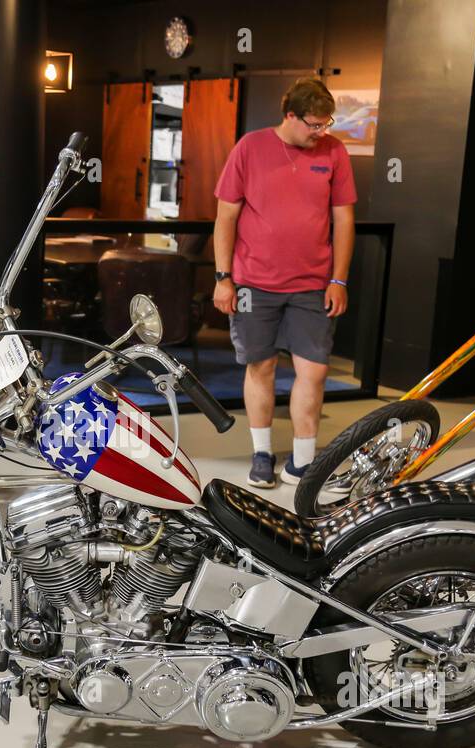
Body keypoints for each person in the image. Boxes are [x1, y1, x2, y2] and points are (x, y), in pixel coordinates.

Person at [213, 76, 356, 488]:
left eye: (326, 123)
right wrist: (224, 278)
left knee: (313, 373)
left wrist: (339, 279)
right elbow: (226, 216)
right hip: (253, 283)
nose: (321, 132)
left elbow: (343, 219)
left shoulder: (334, 152)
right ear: (290, 115)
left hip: (312, 286)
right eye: (314, 123)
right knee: (261, 367)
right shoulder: (250, 148)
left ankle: (303, 463)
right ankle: (261, 454)